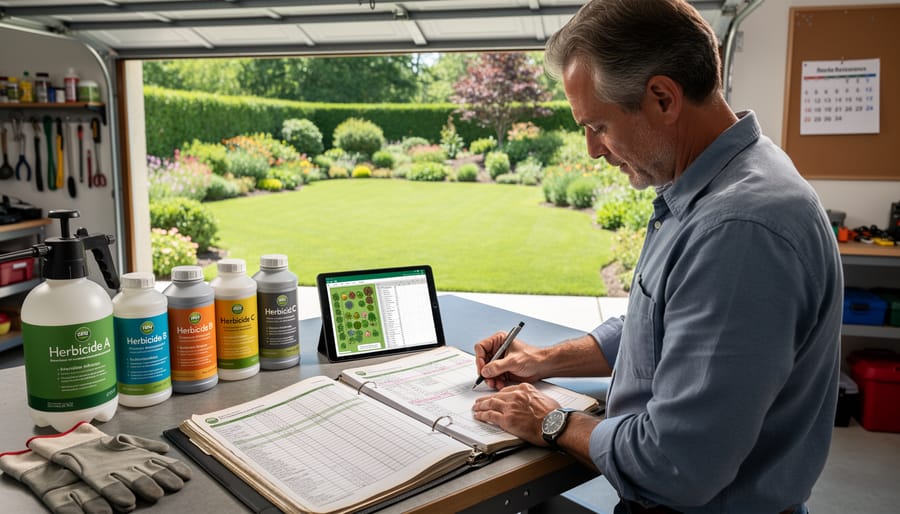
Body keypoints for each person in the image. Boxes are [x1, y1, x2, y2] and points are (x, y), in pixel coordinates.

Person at [471, 1, 843, 513]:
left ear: (663, 98)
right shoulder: (726, 178)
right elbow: (666, 325)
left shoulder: (738, 230)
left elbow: (675, 466)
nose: (592, 151)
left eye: (597, 126)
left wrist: (551, 421)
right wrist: (543, 360)